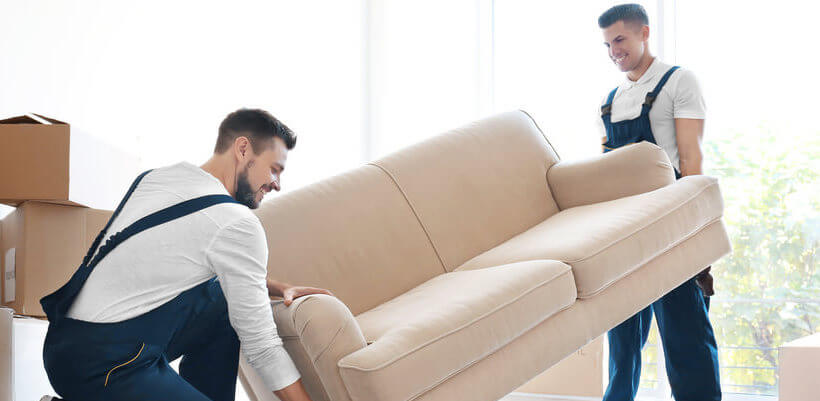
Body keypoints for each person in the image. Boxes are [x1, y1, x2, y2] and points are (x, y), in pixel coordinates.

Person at [40, 108, 330, 401]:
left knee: (221, 300)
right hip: (108, 368)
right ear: (243, 149)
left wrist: (274, 286)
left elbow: (166, 261)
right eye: (274, 169)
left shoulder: (156, 178)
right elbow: (263, 346)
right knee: (226, 303)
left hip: (62, 346)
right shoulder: (237, 222)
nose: (277, 184)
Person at [597, 4, 721, 401]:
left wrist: (698, 233)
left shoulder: (679, 82)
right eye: (607, 45)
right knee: (622, 340)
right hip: (623, 226)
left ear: (644, 33)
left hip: (670, 223)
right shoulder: (611, 100)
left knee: (685, 333)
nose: (614, 51)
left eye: (620, 40)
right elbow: (604, 173)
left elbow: (691, 160)